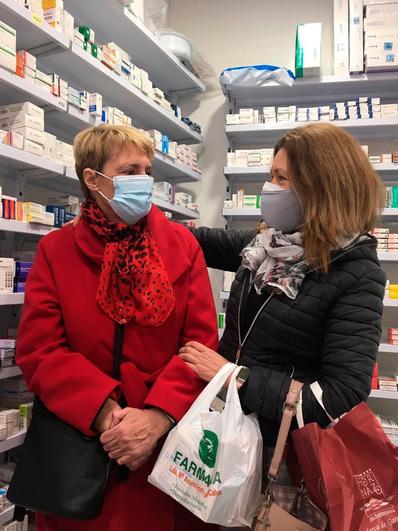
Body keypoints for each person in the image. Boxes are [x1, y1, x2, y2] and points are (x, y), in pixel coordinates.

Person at [16, 125, 219, 531]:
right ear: (93, 179)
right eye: (130, 171)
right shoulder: (55, 252)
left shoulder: (182, 245)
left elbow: (200, 344)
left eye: (147, 170)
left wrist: (157, 417)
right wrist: (106, 413)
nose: (144, 182)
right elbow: (40, 350)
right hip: (84, 449)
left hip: (165, 452)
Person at [179, 123, 386, 485]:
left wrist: (234, 377)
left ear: (322, 187)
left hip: (280, 460)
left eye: (282, 178)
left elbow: (341, 397)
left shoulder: (356, 272)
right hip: (229, 429)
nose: (269, 189)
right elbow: (200, 242)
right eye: (270, 175)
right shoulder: (270, 247)